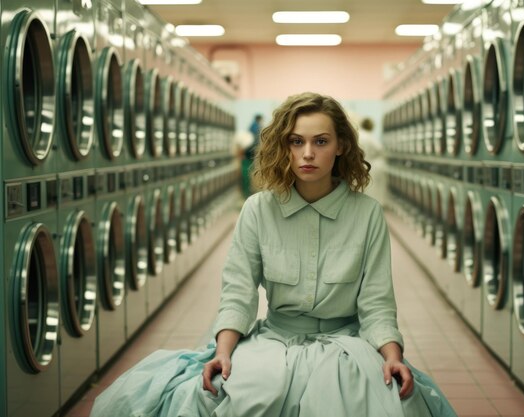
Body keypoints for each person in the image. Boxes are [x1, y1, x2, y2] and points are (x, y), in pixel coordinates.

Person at [89, 92, 457, 417]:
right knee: (219, 397)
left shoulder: (367, 213)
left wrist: (392, 357)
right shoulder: (258, 209)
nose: (307, 153)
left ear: (342, 145)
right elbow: (238, 291)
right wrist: (224, 351)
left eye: (321, 141)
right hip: (275, 340)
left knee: (383, 403)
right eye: (296, 141)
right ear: (284, 146)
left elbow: (376, 303)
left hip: (347, 343)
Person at [358, 117, 387, 205]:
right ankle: (376, 205)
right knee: (374, 188)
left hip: (361, 164)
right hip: (372, 165)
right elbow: (380, 149)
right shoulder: (369, 136)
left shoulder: (358, 135)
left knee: (364, 187)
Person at [240, 114, 263, 197]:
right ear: (259, 119)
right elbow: (256, 140)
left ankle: (247, 193)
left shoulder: (252, 126)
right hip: (250, 154)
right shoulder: (256, 126)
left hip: (248, 154)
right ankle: (247, 193)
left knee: (248, 174)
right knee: (248, 174)